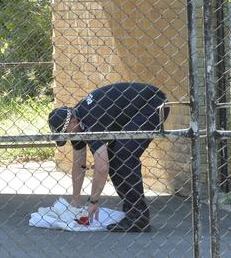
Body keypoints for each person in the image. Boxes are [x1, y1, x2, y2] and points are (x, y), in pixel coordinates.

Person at [48, 82, 169, 233]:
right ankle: (134, 213)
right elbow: (79, 163)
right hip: (134, 110)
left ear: (73, 122)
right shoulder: (76, 123)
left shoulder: (91, 120)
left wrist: (94, 201)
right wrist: (76, 198)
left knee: (123, 154)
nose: (68, 137)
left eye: (66, 133)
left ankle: (138, 218)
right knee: (116, 156)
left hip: (153, 104)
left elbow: (102, 167)